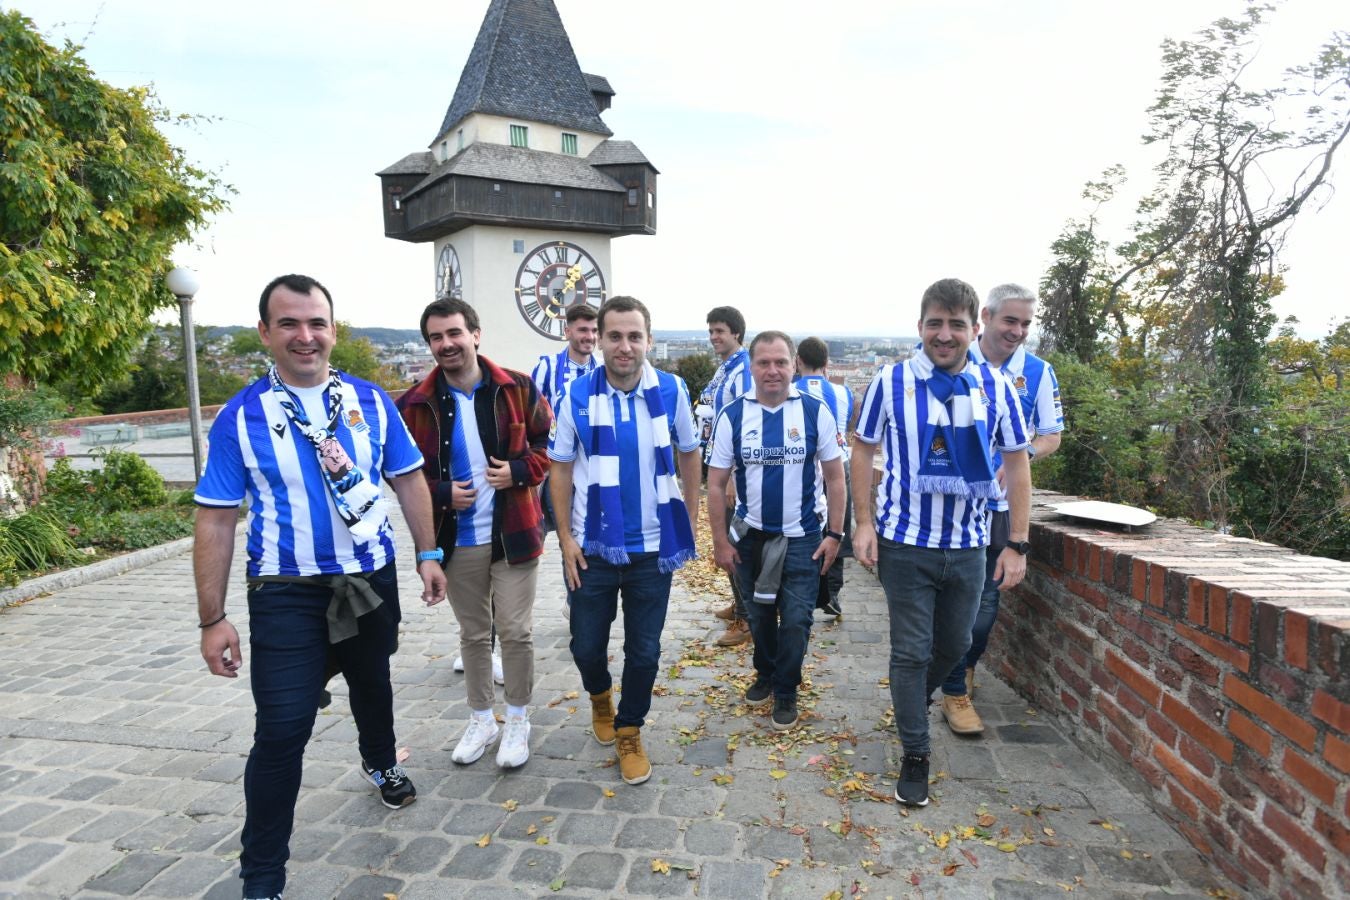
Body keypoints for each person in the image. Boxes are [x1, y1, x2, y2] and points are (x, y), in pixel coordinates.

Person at [193, 274, 447, 900]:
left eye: (316, 324)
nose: (305, 337)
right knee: (281, 728)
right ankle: (262, 879)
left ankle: (381, 760)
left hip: (368, 575)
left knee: (372, 680)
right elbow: (217, 518)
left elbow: (408, 479)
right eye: (289, 324)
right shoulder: (241, 416)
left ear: (333, 329)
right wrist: (211, 617)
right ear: (265, 333)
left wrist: (428, 553)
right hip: (285, 589)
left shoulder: (370, 400)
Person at [851, 278, 1031, 808]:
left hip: (971, 545)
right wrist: (864, 523)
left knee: (953, 646)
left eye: (956, 324)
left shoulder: (997, 387)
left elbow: (1018, 466)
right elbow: (862, 450)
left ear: (974, 328)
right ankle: (916, 751)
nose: (945, 335)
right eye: (935, 323)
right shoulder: (891, 382)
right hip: (905, 543)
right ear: (921, 327)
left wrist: (1016, 542)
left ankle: (911, 702)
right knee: (910, 651)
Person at [548, 296, 701, 785]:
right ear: (600, 338)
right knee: (585, 646)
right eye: (614, 335)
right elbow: (561, 467)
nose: (624, 346)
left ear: (648, 341)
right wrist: (566, 539)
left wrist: (689, 519)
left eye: (635, 336)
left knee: (646, 652)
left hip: (652, 549)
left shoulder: (673, 391)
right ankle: (599, 695)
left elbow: (691, 454)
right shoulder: (575, 396)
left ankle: (630, 728)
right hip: (593, 547)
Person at [396, 298, 552, 769]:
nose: (446, 344)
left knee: (516, 631)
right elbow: (400, 473)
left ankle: (518, 719)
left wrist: (521, 471)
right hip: (457, 537)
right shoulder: (412, 404)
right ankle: (482, 720)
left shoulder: (517, 387)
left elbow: (552, 445)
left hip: (515, 532)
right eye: (436, 337)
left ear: (475, 334)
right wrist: (442, 492)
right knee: (474, 634)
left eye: (454, 333)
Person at [937, 283, 1063, 735]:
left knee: (983, 606)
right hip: (945, 505)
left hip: (999, 506)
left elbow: (1051, 433)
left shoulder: (1038, 372)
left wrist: (1021, 456)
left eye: (1026, 323)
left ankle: (960, 676)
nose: (1018, 331)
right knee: (947, 602)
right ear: (985, 319)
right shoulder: (949, 360)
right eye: (1011, 320)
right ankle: (951, 683)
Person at [707, 331, 846, 730]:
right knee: (760, 616)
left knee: (798, 619)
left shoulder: (814, 411)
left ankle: (786, 688)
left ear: (794, 365)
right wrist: (719, 542)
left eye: (781, 362)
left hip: (803, 536)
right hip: (751, 537)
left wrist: (834, 534)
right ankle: (765, 672)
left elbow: (836, 479)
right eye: (764, 363)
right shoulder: (733, 415)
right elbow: (715, 484)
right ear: (752, 367)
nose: (773, 370)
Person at [531, 303, 599, 621]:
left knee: (574, 535)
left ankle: (576, 603)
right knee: (535, 535)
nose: (589, 336)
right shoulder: (547, 367)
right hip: (549, 469)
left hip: (587, 470)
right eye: (583, 330)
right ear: (568, 331)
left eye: (594, 330)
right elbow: (530, 416)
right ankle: (515, 609)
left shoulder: (603, 369)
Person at [694, 305, 754, 647]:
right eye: (711, 331)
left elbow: (745, 422)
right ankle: (740, 604)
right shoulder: (727, 368)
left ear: (737, 334)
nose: (714, 337)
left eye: (720, 331)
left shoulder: (743, 370)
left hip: (735, 474)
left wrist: (732, 474)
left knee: (735, 543)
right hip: (720, 464)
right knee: (730, 540)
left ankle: (747, 619)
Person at [793, 337, 856, 618]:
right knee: (837, 529)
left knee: (806, 532)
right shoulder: (844, 393)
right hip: (839, 465)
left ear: (797, 361)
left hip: (806, 470)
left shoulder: (791, 390)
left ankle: (806, 587)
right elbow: (850, 425)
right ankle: (833, 592)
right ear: (827, 363)